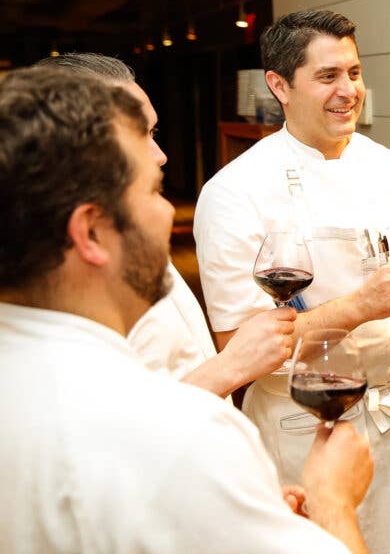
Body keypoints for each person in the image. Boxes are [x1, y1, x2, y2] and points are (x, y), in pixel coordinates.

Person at [0, 67, 382, 554]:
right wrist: (333, 502)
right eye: (154, 191)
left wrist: (245, 518)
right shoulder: (180, 436)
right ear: (89, 232)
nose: (166, 212)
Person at [193, 10, 390, 554]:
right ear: (279, 86)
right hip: (301, 423)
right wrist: (357, 307)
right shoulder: (233, 192)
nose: (348, 90)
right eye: (327, 76)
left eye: (353, 73)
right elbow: (236, 348)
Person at [33, 52, 297, 397]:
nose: (160, 155)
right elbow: (116, 427)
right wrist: (232, 366)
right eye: (138, 134)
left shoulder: (128, 235)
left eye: (153, 131)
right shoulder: (63, 280)